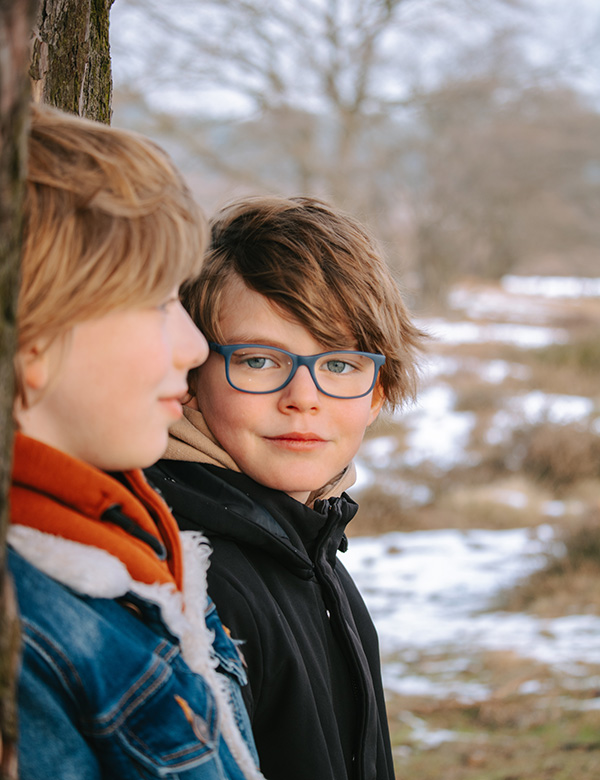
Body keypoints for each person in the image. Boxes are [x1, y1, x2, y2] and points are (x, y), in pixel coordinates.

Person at [7, 104, 265, 780]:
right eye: (156, 304)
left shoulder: (135, 538)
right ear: (32, 339)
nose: (194, 345)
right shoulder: (23, 631)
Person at [146, 196, 425, 780]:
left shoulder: (309, 549)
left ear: (379, 390)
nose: (303, 397)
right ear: (192, 377)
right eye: (258, 360)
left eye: (340, 365)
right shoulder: (194, 574)